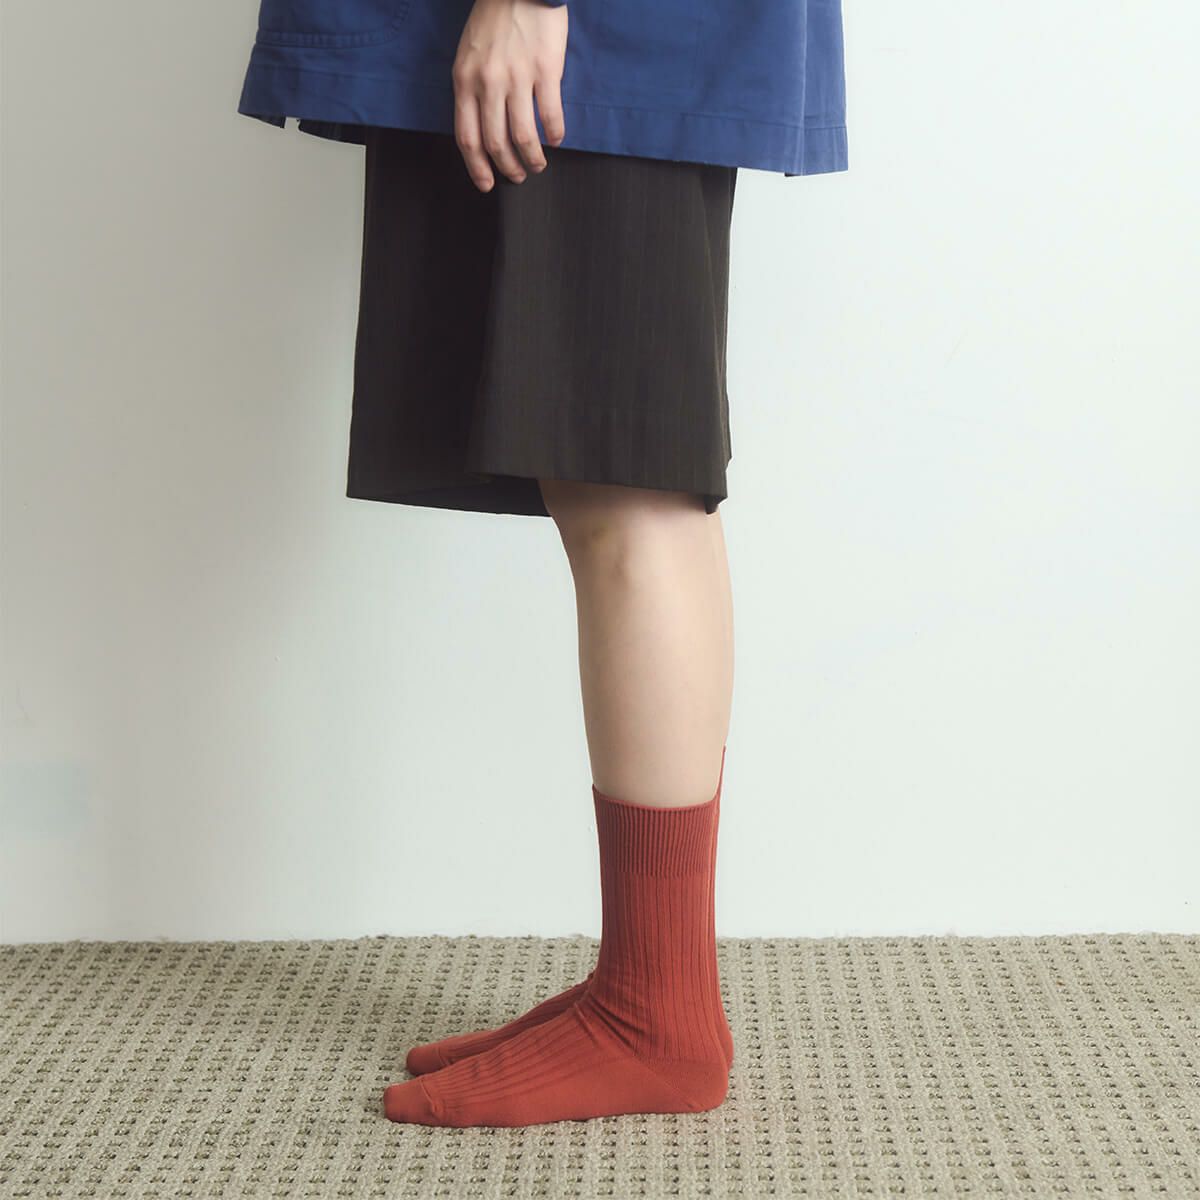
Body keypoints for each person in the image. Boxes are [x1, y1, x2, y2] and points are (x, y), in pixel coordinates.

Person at [237, 0, 848, 1127]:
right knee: (597, 468)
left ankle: (658, 1019)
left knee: (628, 478)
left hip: (595, 32)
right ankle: (646, 984)